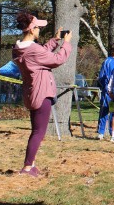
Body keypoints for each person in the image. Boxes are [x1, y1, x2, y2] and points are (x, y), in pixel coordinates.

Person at [12, 12, 72, 177]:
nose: (39, 30)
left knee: (35, 131)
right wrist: (66, 44)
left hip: (31, 93)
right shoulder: (34, 50)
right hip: (42, 93)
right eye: (38, 27)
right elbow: (57, 59)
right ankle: (27, 168)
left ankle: (31, 164)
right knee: (39, 133)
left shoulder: (18, 49)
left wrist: (55, 40)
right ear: (32, 30)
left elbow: (40, 53)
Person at [96, 42, 114, 139]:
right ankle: (102, 132)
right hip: (108, 92)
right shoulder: (108, 62)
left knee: (112, 111)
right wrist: (105, 87)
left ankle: (113, 132)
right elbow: (101, 76)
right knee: (105, 111)